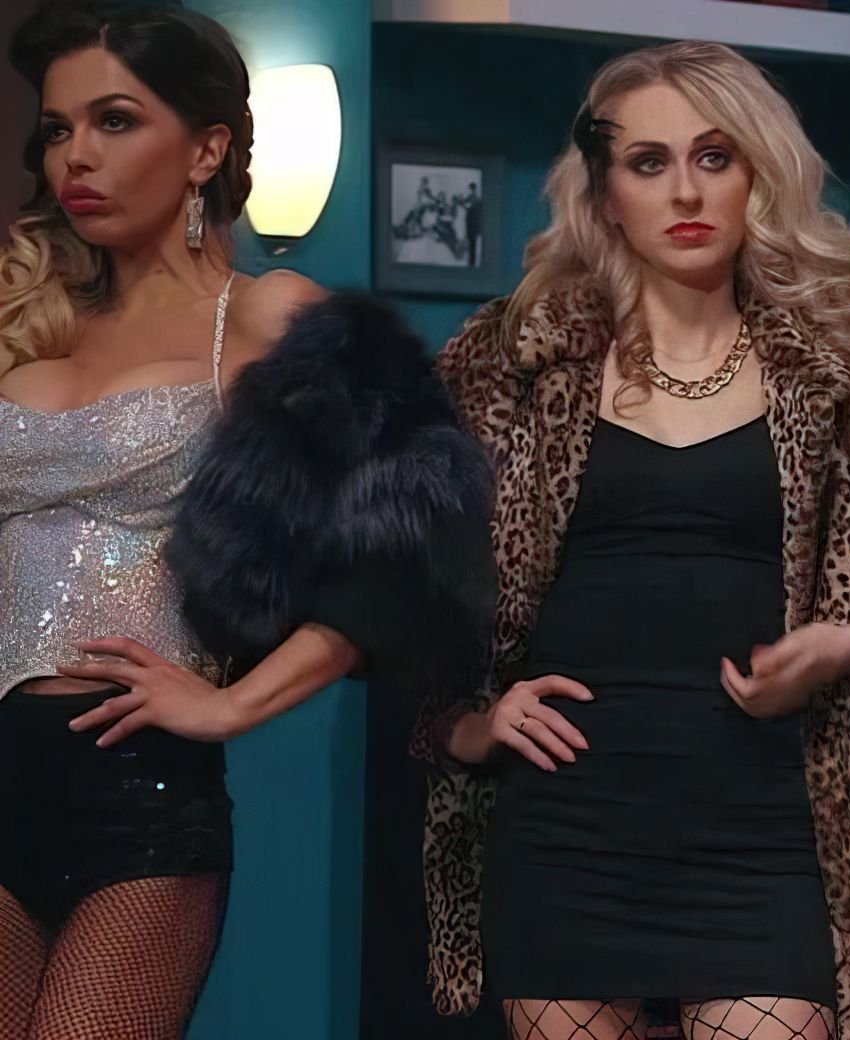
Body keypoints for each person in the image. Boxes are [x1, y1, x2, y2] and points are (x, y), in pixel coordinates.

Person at [413, 41, 850, 1040]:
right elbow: (401, 585)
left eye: (713, 156)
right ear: (606, 193)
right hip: (566, 831)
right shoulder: (511, 359)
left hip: (766, 830)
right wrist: (466, 724)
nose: (685, 191)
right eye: (647, 162)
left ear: (756, 177)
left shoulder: (830, 375)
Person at [0, 4, 491, 1039]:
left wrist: (234, 705)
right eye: (56, 129)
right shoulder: (27, 319)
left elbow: (421, 533)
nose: (75, 155)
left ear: (206, 148)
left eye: (114, 120)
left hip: (133, 795)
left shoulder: (265, 315)